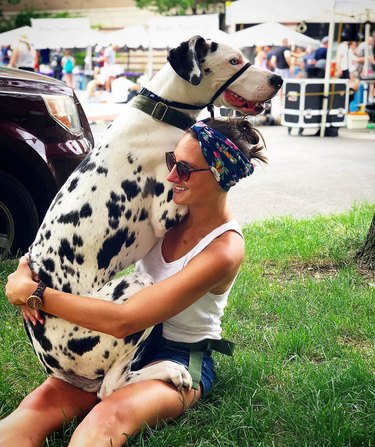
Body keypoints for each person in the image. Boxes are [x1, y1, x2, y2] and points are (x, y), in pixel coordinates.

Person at [2, 117, 266, 447]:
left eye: (184, 170)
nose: (170, 176)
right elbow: (77, 232)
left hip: (179, 356)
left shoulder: (224, 249)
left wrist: (36, 294)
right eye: (172, 161)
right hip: (118, 349)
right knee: (34, 410)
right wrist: (29, 267)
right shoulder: (163, 213)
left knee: (106, 419)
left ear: (219, 176)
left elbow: (124, 320)